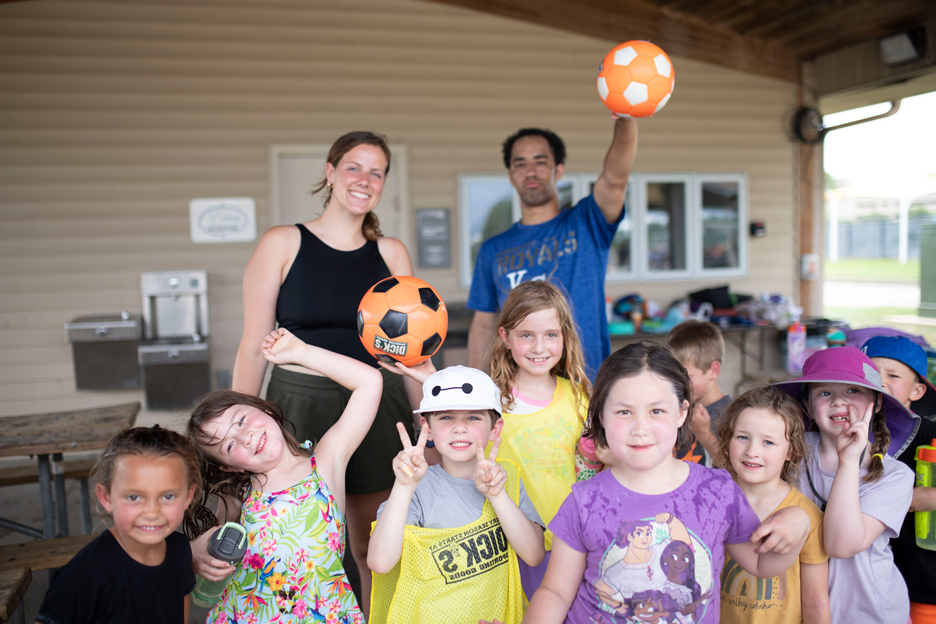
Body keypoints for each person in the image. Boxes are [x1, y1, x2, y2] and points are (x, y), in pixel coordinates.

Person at [231, 130, 416, 612]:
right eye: (354, 167)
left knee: (371, 543)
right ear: (330, 173)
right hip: (299, 401)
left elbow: (410, 352)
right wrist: (233, 426)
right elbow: (253, 346)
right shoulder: (283, 242)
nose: (365, 179)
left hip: (378, 402)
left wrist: (425, 428)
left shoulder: (391, 253)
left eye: (377, 172)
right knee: (305, 543)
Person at [522, 341, 811, 624]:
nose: (640, 428)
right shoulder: (584, 500)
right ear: (601, 416)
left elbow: (762, 564)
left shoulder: (717, 490)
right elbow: (556, 592)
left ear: (682, 412)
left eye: (656, 411)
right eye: (624, 411)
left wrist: (800, 522)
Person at [187, 328, 382, 623]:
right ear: (229, 467)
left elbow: (370, 382)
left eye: (241, 420)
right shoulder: (237, 494)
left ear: (260, 406)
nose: (246, 437)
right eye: (228, 445)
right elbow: (212, 553)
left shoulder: (326, 461)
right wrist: (195, 553)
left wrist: (301, 353)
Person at [368, 366, 546, 624]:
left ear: (495, 429)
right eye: (446, 417)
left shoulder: (507, 479)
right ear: (426, 428)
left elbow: (534, 554)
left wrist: (497, 496)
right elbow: (380, 562)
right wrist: (404, 486)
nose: (459, 428)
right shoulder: (415, 490)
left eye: (473, 418)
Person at [466, 119, 638, 381]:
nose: (530, 171)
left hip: (586, 385)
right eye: (520, 164)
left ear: (558, 171)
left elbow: (615, 178)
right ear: (511, 176)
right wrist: (476, 389)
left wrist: (627, 116)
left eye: (540, 161)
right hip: (519, 393)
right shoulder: (492, 250)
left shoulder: (586, 222)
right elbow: (482, 326)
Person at [774, 347, 919, 624]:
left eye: (853, 391)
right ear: (807, 407)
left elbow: (841, 545)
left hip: (868, 613)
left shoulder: (895, 475)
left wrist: (849, 462)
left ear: (876, 403)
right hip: (799, 609)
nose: (839, 402)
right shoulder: (788, 452)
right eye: (825, 393)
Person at [488, 280, 599, 596]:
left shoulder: (581, 399)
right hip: (517, 549)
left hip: (579, 547)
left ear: (565, 338)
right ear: (506, 338)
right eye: (526, 335)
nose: (539, 347)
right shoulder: (490, 404)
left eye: (550, 335)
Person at [36, 426, 201, 624]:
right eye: (133, 497)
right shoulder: (84, 576)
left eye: (168, 496)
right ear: (106, 497)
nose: (151, 512)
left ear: (188, 497)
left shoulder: (180, 549)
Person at [715, 385, 830, 624]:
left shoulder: (809, 516)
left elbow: (815, 602)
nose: (752, 451)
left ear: (791, 451)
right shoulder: (711, 499)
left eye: (768, 442)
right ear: (727, 439)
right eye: (743, 437)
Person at [862, 335, 936, 624]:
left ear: (917, 390)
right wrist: (905, 499)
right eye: (871, 372)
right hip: (862, 580)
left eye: (892, 375)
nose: (879, 381)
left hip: (922, 577)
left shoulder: (928, 434)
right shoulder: (840, 431)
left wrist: (925, 497)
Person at [666, 319, 732, 465]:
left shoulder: (732, 413)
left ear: (713, 371)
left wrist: (703, 433)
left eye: (686, 376)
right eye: (673, 375)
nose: (678, 384)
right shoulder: (680, 406)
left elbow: (734, 469)